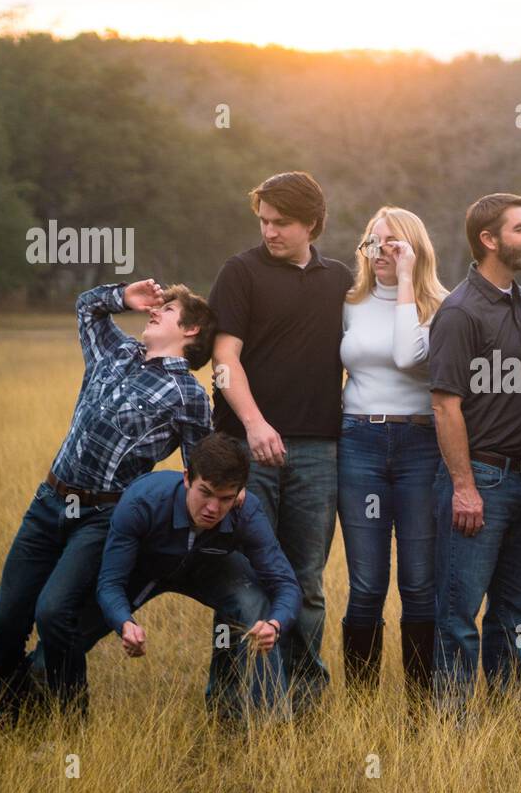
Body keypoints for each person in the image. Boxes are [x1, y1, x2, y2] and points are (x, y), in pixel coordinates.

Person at [0, 279, 214, 729]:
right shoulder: (117, 352)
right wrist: (123, 297)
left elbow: (198, 474)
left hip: (101, 516)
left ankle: (70, 729)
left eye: (166, 309)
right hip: (49, 502)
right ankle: (9, 725)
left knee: (55, 613)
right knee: (6, 622)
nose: (155, 311)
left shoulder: (189, 396)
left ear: (191, 330)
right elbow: (86, 308)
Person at [206, 171, 353, 713]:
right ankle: (228, 703)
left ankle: (303, 701)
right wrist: (254, 424)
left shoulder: (340, 280)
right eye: (263, 221)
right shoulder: (240, 273)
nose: (270, 232)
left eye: (282, 223)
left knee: (306, 582)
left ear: (312, 223)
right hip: (248, 452)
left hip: (318, 452)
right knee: (243, 580)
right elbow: (224, 361)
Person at [427, 193, 521, 721]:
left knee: (515, 612)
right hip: (484, 480)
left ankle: (506, 715)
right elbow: (445, 404)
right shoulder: (458, 312)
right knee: (459, 612)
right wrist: (464, 485)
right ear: (489, 240)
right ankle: (454, 725)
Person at [94, 433, 302, 720]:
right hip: (146, 568)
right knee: (68, 626)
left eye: (226, 498)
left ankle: (267, 724)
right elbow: (110, 583)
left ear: (240, 492)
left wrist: (275, 625)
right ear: (187, 478)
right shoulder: (141, 502)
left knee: (255, 603)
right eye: (205, 492)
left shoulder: (247, 511)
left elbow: (285, 583)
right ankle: (43, 700)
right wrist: (124, 623)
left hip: (208, 567)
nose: (213, 508)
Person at [337, 207, 448, 704]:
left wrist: (406, 281)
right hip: (359, 442)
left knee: (420, 583)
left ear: (414, 248)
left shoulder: (442, 307)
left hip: (421, 446)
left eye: (391, 243)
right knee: (366, 583)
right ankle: (360, 706)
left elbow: (408, 356)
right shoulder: (348, 303)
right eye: (372, 242)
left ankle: (421, 705)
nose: (378, 252)